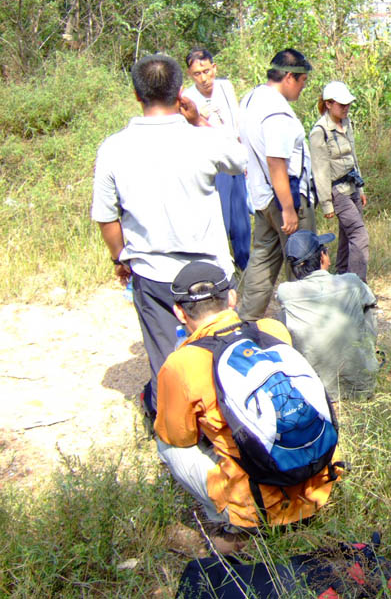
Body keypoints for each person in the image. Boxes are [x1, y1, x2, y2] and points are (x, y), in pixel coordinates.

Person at [91, 53, 247, 416]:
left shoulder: (113, 148)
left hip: (153, 274)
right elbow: (240, 160)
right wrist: (200, 121)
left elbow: (106, 217)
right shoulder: (202, 139)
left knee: (166, 362)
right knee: (219, 356)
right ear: (181, 92)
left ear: (136, 94)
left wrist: (120, 258)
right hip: (209, 273)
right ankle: (224, 423)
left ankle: (174, 429)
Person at [155, 262, 336, 552]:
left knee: (166, 443)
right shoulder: (272, 330)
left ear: (179, 312)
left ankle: (235, 522)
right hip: (316, 484)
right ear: (232, 298)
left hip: (259, 505)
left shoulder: (181, 364)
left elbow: (179, 437)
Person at [238, 49, 318, 321]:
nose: (303, 86)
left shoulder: (251, 99)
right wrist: (289, 209)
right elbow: (276, 162)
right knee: (303, 263)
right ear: (288, 77)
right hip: (286, 198)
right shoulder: (277, 113)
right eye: (302, 80)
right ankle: (304, 324)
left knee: (262, 262)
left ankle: (246, 322)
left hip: (262, 196)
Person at [277, 230, 378, 401]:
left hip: (315, 391)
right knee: (368, 307)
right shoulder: (351, 282)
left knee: (281, 318)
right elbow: (371, 308)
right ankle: (366, 361)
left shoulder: (285, 292)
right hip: (361, 386)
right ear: (323, 257)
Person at [183, 48, 252, 271]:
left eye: (206, 71)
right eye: (197, 74)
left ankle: (244, 264)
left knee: (241, 216)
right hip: (211, 165)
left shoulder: (225, 87)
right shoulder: (188, 99)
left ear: (214, 68)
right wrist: (199, 117)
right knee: (221, 216)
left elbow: (237, 122)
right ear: (190, 74)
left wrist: (244, 155)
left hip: (233, 157)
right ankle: (220, 266)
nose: (203, 78)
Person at [309, 81, 369, 282]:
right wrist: (326, 203)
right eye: (342, 105)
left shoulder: (346, 123)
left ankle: (342, 277)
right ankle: (357, 286)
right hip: (337, 190)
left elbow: (353, 156)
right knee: (359, 235)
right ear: (328, 104)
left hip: (352, 185)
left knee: (347, 236)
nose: (346, 108)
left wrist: (361, 189)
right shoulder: (320, 131)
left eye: (348, 104)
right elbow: (320, 170)